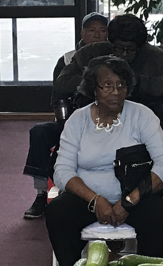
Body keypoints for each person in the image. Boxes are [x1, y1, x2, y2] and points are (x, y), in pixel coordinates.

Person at [46, 56, 163, 266]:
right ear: (93, 88)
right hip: (88, 200)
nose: (116, 92)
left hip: (135, 197)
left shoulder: (142, 116)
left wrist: (129, 201)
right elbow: (62, 170)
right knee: (58, 212)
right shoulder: (78, 120)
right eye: (108, 85)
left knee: (159, 214)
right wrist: (95, 200)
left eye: (121, 85)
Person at [22, 12, 109, 220]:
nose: (97, 35)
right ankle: (41, 194)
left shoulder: (114, 58)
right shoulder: (68, 59)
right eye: (92, 30)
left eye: (102, 30)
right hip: (72, 120)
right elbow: (58, 93)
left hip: (108, 121)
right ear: (82, 33)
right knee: (39, 133)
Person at [52, 13, 163, 110]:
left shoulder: (159, 59)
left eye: (130, 49)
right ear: (110, 43)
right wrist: (96, 81)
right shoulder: (90, 53)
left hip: (145, 119)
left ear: (141, 47)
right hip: (94, 118)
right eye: (119, 48)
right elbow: (62, 83)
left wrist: (140, 83)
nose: (124, 54)